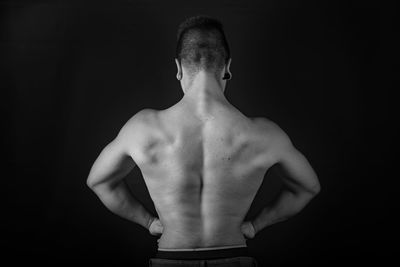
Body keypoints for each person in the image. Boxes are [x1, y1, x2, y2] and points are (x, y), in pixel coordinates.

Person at [87, 15, 321, 267]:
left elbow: (98, 180)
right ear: (227, 67)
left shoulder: (143, 128)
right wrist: (255, 225)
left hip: (171, 258)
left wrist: (148, 222)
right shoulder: (264, 133)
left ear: (178, 68)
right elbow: (308, 187)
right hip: (233, 257)